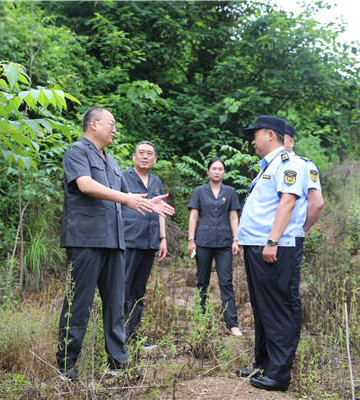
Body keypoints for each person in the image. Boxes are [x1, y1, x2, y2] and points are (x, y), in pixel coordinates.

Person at [57, 106, 174, 381]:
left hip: (114, 242)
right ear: (94, 125)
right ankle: (66, 366)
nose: (115, 129)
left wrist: (148, 202)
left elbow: (127, 194)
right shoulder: (78, 151)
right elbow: (85, 185)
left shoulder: (110, 160)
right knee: (79, 304)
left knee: (116, 305)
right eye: (111, 123)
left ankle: (117, 363)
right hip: (86, 240)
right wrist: (127, 199)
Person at [235, 115, 305, 392]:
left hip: (275, 248)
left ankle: (279, 374)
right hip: (257, 246)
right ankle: (264, 363)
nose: (252, 141)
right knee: (262, 308)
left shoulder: (290, 164)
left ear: (270, 135)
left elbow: (287, 203)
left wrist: (272, 240)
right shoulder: (270, 166)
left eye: (255, 135)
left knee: (278, 308)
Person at [187, 157, 243, 337]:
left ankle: (232, 324)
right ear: (208, 171)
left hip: (224, 242)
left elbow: (234, 217)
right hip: (203, 241)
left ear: (224, 172)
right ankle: (201, 320)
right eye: (214, 168)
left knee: (226, 281)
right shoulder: (199, 191)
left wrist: (236, 239)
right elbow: (193, 217)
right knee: (202, 281)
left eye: (220, 169)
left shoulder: (231, 191)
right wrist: (191, 239)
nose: (217, 171)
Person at [283, 122, 324, 354]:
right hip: (270, 240)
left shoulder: (304, 166)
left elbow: (317, 203)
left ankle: (291, 342)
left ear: (291, 141)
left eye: (284, 139)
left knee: (289, 291)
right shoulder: (270, 166)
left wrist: (303, 228)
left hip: (291, 237)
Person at [122, 141, 167, 348]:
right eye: (141, 153)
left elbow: (161, 211)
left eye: (149, 154)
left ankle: (134, 336)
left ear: (155, 160)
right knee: (123, 290)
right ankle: (118, 337)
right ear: (134, 157)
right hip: (128, 241)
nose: (145, 156)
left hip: (149, 243)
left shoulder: (156, 181)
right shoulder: (122, 177)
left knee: (139, 293)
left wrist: (163, 238)